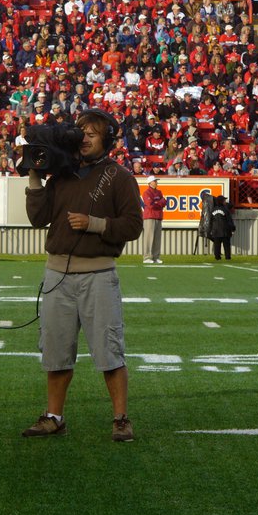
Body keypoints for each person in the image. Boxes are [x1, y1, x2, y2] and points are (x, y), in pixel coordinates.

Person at [22, 109, 143, 442]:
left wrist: (95, 224)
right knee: (56, 352)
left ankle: (120, 418)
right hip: (56, 273)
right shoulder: (61, 174)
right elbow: (38, 217)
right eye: (81, 132)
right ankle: (54, 416)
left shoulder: (119, 176)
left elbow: (134, 225)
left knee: (109, 351)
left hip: (99, 274)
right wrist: (35, 175)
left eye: (92, 133)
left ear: (107, 139)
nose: (84, 138)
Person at [142, 176, 168, 264]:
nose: (156, 182)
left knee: (157, 238)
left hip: (158, 216)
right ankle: (147, 257)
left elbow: (164, 202)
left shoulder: (159, 192)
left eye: (156, 181)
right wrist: (160, 202)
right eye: (155, 181)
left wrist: (158, 203)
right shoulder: (146, 192)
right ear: (150, 183)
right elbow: (150, 205)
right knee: (149, 238)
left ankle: (156, 257)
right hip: (149, 216)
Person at [209, 195, 235, 260]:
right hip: (225, 231)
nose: (225, 202)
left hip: (215, 231)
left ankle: (217, 257)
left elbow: (210, 221)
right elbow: (229, 220)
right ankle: (227, 257)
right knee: (226, 245)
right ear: (221, 201)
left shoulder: (213, 210)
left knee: (217, 245)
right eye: (224, 200)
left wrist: (210, 230)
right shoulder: (225, 210)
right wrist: (233, 228)